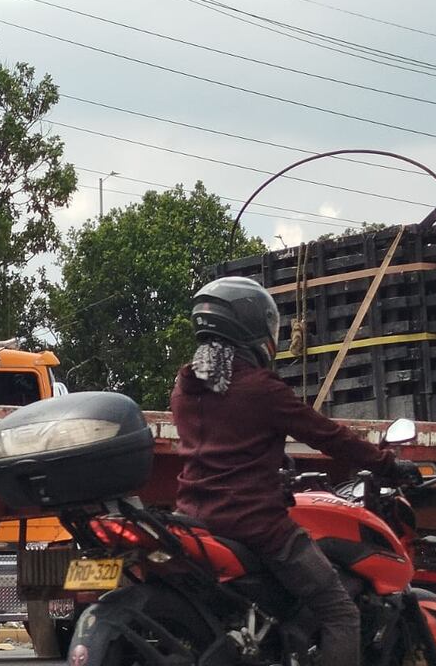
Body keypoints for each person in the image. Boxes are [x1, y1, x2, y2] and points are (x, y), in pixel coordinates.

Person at [171, 276, 420, 666]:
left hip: (193, 518)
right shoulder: (260, 388)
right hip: (255, 524)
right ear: (253, 327)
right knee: (340, 611)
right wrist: (386, 464)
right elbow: (328, 435)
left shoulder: (186, 388)